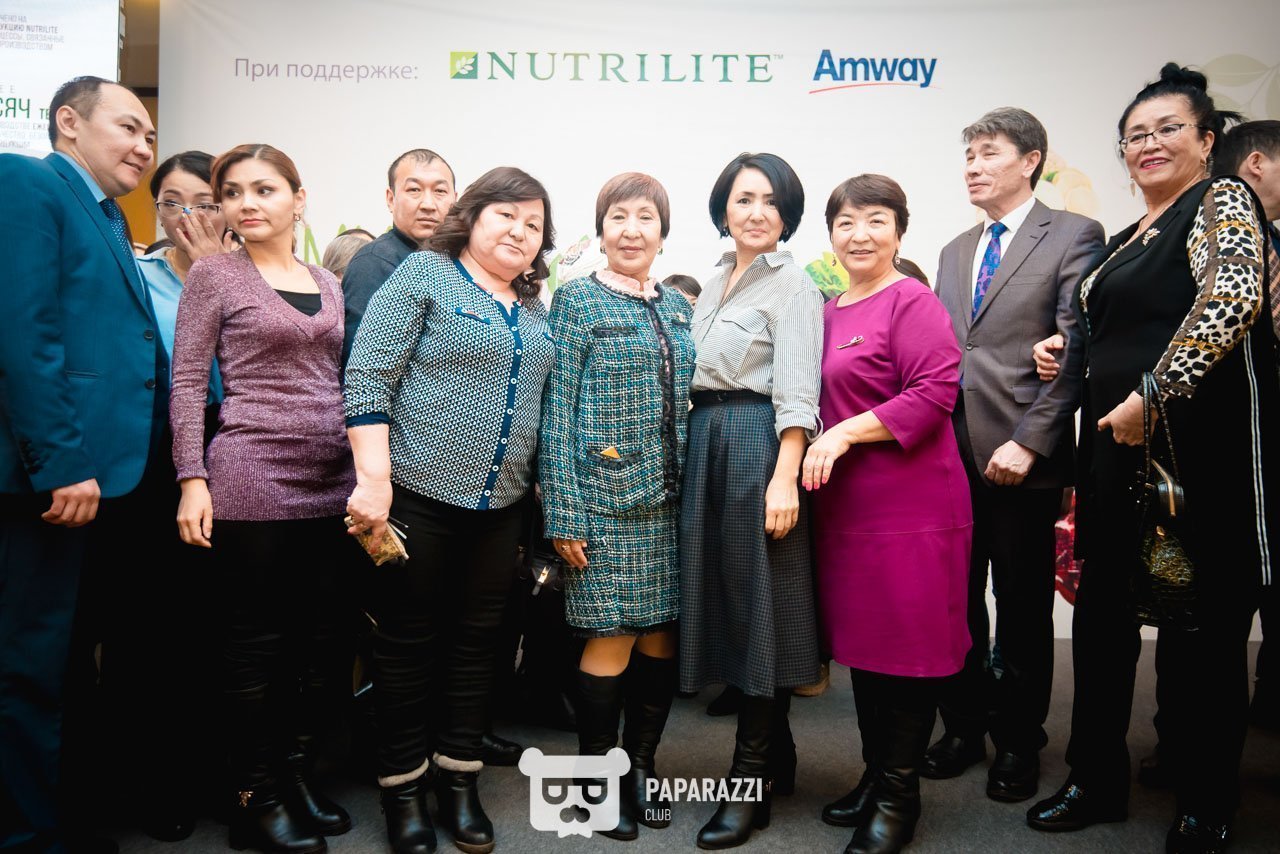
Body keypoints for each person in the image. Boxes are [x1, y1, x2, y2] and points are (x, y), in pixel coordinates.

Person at [1024, 64, 1278, 853]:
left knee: (1203, 639)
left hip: (1197, 461)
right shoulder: (1128, 237)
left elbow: (1232, 299)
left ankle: (1207, 802)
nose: (1150, 144)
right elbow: (1123, 325)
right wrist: (1068, 346)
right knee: (1101, 627)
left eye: (1169, 129)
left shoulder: (1220, 200)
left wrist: (1154, 395)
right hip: (1115, 463)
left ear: (1207, 141)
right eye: (1135, 135)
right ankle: (1094, 780)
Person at [344, 166, 556, 854]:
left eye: (533, 224)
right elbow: (367, 376)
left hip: (500, 510)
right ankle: (403, 790)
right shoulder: (426, 275)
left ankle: (458, 781)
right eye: (506, 216)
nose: (519, 231)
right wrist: (373, 481)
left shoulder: (533, 309)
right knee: (407, 646)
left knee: (478, 647)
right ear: (473, 217)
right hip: (417, 498)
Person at [170, 143, 363, 854]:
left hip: (331, 479)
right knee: (255, 648)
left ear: (297, 198)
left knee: (318, 645)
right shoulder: (214, 275)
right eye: (232, 192)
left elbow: (337, 379)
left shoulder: (326, 281)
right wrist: (192, 478)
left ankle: (291, 777)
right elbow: (188, 382)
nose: (246, 203)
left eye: (264, 189)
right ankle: (253, 798)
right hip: (252, 473)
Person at [0, 76, 160, 854]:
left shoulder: (107, 215)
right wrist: (60, 461)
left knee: (65, 662)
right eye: (128, 127)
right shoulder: (27, 182)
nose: (143, 147)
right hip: (52, 481)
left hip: (106, 480)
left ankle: (60, 820)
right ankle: (28, 835)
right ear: (69, 122)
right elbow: (23, 333)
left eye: (151, 136)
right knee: (28, 666)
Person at [927, 108, 1104, 803]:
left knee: (1024, 607)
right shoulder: (952, 251)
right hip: (948, 457)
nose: (973, 166)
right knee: (956, 601)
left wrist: (1030, 441)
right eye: (968, 155)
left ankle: (1019, 741)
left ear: (1031, 160)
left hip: (1021, 457)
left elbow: (1074, 347)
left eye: (989, 152)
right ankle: (964, 726)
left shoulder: (1073, 234)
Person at [802, 174, 971, 854]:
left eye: (876, 220)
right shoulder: (828, 310)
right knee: (867, 651)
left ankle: (900, 796)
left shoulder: (913, 301)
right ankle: (876, 776)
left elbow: (934, 393)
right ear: (831, 235)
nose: (860, 234)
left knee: (908, 652)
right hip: (847, 511)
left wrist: (843, 434)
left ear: (899, 232)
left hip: (913, 508)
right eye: (846, 222)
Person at [540, 173, 695, 841]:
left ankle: (642, 769)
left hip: (672, 504)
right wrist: (564, 513)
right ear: (601, 230)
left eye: (645, 218)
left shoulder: (679, 306)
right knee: (612, 635)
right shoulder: (576, 299)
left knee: (661, 637)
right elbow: (557, 411)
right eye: (618, 217)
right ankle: (596, 784)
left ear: (663, 231)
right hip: (602, 502)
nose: (632, 230)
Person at [86, 149, 233, 842]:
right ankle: (147, 783)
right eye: (172, 201)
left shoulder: (257, 277)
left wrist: (213, 276)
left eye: (203, 202)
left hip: (231, 455)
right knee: (144, 627)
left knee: (216, 628)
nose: (187, 216)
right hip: (149, 461)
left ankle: (211, 775)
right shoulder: (136, 277)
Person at [679, 152, 823, 850]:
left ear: (787, 214)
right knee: (733, 602)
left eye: (771, 201)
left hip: (755, 444)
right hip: (705, 442)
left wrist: (784, 475)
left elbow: (798, 390)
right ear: (723, 209)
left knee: (762, 605)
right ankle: (780, 759)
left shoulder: (794, 285)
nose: (757, 212)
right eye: (743, 199)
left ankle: (750, 782)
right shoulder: (711, 282)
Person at [341, 148, 457, 365]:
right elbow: (362, 365)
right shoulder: (374, 263)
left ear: (455, 200)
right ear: (391, 198)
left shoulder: (462, 262)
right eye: (414, 190)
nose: (428, 204)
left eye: (440, 191)